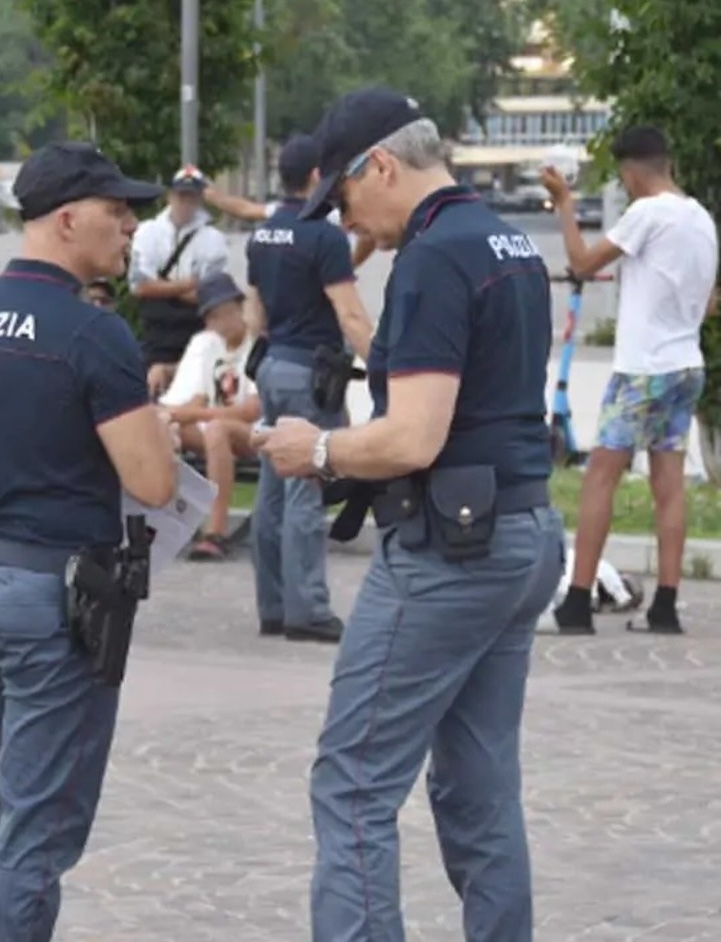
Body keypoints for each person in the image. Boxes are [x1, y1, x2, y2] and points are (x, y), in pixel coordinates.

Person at [254, 87, 565, 941]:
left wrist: (314, 452)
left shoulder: (433, 257)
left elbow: (415, 437)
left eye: (346, 197)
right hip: (523, 528)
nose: (349, 224)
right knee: (479, 784)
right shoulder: (508, 240)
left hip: (450, 549)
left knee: (352, 780)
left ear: (380, 165)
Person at [0, 140, 180, 942]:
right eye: (117, 211)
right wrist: (154, 432)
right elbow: (156, 485)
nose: (132, 227)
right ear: (68, 219)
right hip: (52, 603)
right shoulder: (93, 335)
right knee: (35, 833)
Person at [541, 124, 719, 635]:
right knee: (669, 485)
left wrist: (565, 205)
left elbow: (580, 263)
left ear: (631, 172)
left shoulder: (648, 212)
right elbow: (707, 301)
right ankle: (665, 606)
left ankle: (576, 603)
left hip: (643, 369)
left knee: (600, 475)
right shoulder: (700, 218)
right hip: (686, 364)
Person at [242, 134, 375, 642]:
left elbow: (256, 309)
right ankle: (308, 609)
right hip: (311, 373)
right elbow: (348, 311)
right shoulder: (323, 236)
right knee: (306, 484)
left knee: (272, 492)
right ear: (318, 177)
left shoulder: (266, 234)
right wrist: (383, 369)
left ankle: (273, 606)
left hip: (273, 363)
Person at [157, 271, 262, 560]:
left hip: (254, 433)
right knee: (164, 429)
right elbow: (196, 397)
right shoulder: (207, 343)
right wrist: (172, 417)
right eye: (214, 316)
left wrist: (189, 413)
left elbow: (252, 411)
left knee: (216, 428)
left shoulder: (257, 343)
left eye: (227, 312)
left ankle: (214, 531)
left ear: (240, 308)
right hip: (213, 431)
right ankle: (161, 524)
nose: (222, 321)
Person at [128, 166, 231, 397]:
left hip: (194, 331)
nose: (185, 202)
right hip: (155, 335)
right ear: (170, 195)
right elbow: (139, 286)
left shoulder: (214, 240)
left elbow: (209, 295)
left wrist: (161, 287)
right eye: (181, 195)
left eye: (191, 196)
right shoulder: (147, 233)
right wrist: (187, 285)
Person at [190, 160, 379, 270]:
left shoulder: (283, 211)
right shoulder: (331, 213)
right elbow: (369, 235)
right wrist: (347, 266)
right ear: (315, 175)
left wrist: (213, 196)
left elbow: (246, 210)